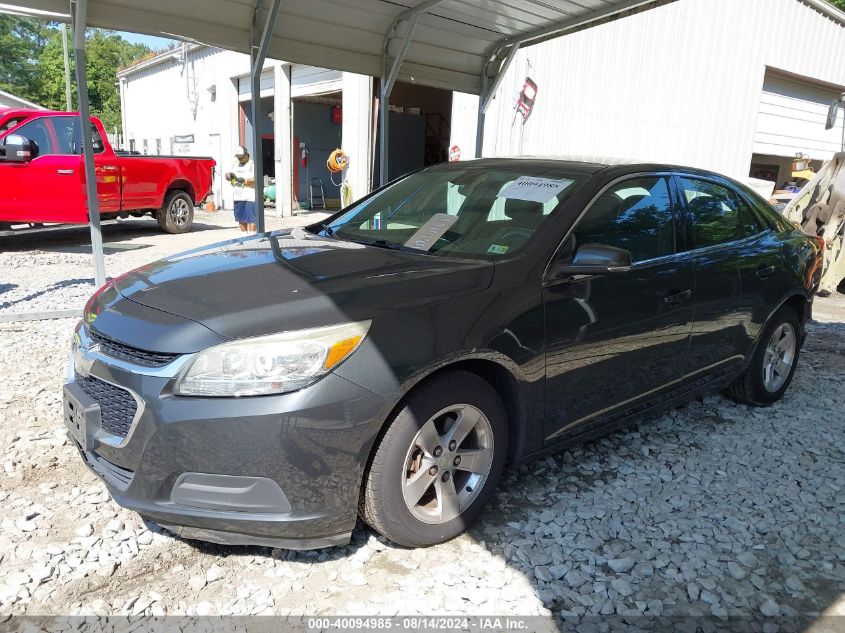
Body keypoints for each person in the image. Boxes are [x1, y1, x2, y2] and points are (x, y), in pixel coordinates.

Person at [224, 145, 256, 231]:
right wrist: (229, 176)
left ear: (246, 155)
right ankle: (243, 238)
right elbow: (226, 176)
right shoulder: (234, 164)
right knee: (241, 219)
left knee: (251, 219)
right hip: (238, 196)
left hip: (250, 197)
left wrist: (244, 181)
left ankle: (252, 238)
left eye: (241, 157)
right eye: (238, 157)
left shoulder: (252, 164)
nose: (239, 159)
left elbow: (256, 179)